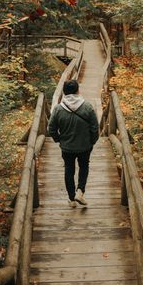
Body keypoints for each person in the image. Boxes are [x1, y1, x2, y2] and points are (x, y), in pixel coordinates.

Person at [48, 79, 99, 207]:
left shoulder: (58, 109)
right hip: (84, 146)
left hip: (67, 147)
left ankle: (71, 199)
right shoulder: (87, 106)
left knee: (69, 170)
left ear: (64, 92)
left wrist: (59, 139)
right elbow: (95, 127)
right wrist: (92, 141)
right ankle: (80, 191)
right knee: (84, 166)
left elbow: (51, 129)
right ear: (77, 91)